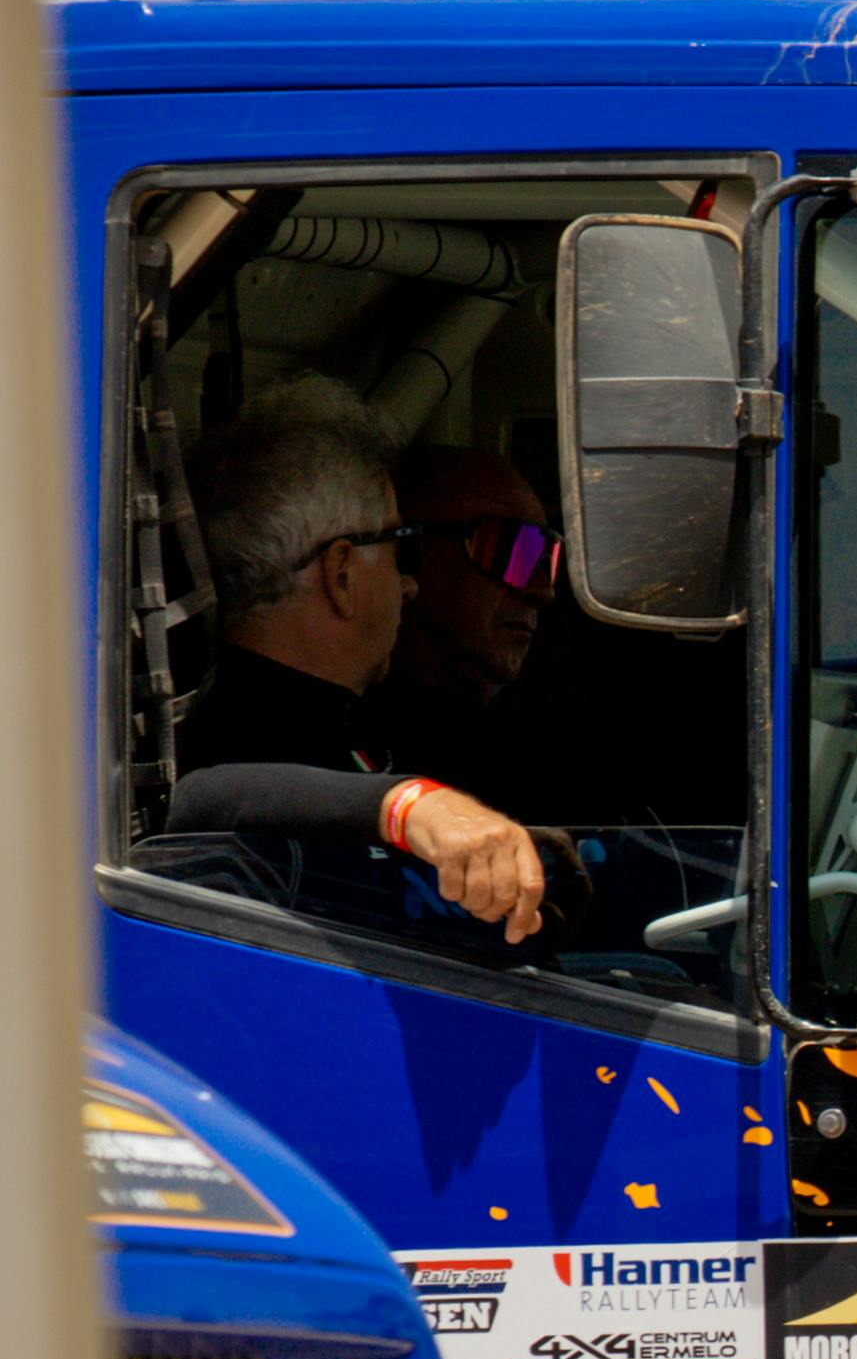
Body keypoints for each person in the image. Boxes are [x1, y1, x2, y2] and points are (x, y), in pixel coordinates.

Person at [166, 374, 544, 942]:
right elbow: (206, 796)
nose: (411, 585)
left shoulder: (383, 720)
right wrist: (412, 808)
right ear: (342, 575)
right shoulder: (225, 748)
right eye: (399, 547)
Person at [386, 433, 563, 786]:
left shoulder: (541, 755)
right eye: (511, 550)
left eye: (548, 558)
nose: (543, 590)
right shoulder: (344, 755)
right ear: (404, 553)